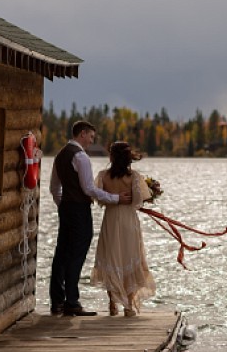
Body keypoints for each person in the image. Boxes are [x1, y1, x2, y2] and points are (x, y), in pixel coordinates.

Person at [49, 121, 131, 316]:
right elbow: (89, 189)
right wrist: (116, 198)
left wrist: (64, 204)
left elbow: (54, 188)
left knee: (61, 253)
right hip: (79, 209)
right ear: (82, 134)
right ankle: (72, 302)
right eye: (91, 137)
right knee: (77, 254)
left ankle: (57, 301)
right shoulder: (80, 157)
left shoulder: (60, 155)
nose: (91, 141)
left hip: (66, 208)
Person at [90, 141, 157, 317]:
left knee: (112, 257)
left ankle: (113, 303)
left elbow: (100, 200)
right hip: (128, 220)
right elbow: (137, 201)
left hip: (111, 220)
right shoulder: (134, 177)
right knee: (129, 256)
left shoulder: (103, 176)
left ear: (111, 157)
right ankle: (128, 306)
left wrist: (114, 198)